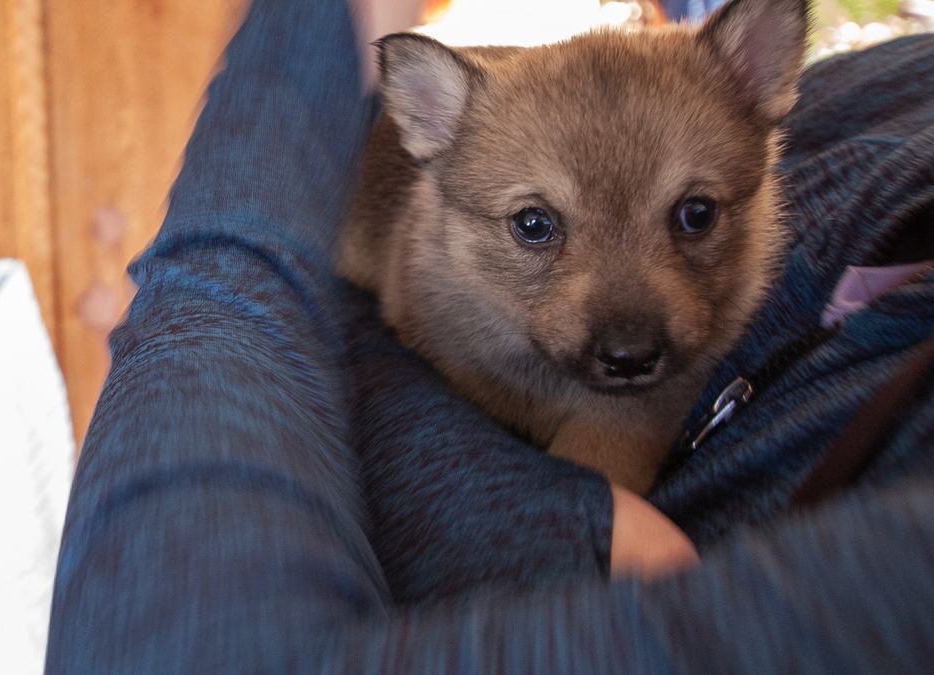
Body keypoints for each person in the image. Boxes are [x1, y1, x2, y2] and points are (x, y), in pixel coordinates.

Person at [45, 0, 934, 671]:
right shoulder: (905, 92)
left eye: (692, 217)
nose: (630, 321)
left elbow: (191, 644)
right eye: (540, 229)